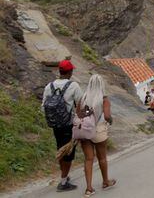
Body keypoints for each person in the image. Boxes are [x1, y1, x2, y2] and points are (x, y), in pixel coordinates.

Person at [42, 59, 83, 192]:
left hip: (55, 124)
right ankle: (64, 182)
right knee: (68, 153)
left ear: (59, 71)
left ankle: (64, 176)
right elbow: (81, 105)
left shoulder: (49, 86)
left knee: (61, 149)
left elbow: (43, 107)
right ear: (70, 71)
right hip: (68, 125)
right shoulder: (74, 86)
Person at [76, 75, 116, 197]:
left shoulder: (83, 98)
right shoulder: (104, 99)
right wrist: (110, 121)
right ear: (101, 85)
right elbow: (108, 116)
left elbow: (78, 113)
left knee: (88, 159)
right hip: (98, 130)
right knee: (102, 158)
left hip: (85, 131)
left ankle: (89, 189)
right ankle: (105, 181)